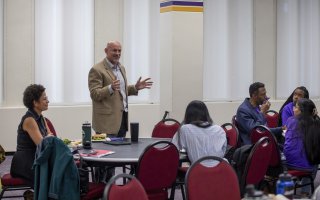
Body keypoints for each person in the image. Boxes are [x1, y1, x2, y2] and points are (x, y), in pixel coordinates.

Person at [88, 41, 153, 137]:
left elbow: (120, 90)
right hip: (106, 123)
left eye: (119, 51)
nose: (117, 53)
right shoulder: (97, 69)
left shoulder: (121, 68)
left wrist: (135, 88)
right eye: (114, 50)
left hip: (122, 119)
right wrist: (110, 88)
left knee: (122, 151)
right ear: (106, 51)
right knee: (108, 151)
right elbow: (94, 94)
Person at [10, 84, 53, 187]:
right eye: (44, 99)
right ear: (35, 102)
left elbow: (50, 136)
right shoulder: (29, 120)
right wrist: (48, 138)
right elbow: (42, 144)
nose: (48, 101)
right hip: (24, 163)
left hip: (35, 158)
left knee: (57, 171)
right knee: (52, 175)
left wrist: (48, 138)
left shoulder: (41, 117)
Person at [284, 98, 319, 196]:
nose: (293, 109)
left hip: (289, 164)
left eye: (295, 107)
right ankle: (305, 192)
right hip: (307, 167)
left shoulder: (290, 120)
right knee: (314, 157)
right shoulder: (316, 123)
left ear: (301, 110)